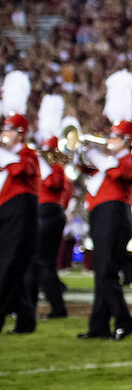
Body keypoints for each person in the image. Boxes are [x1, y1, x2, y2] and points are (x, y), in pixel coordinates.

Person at [77, 71, 132, 340]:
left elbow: (119, 174)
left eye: (114, 137)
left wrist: (96, 156)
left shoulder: (130, 159)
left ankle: (124, 320)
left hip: (115, 215)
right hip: (102, 215)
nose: (109, 140)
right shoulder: (109, 161)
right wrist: (81, 153)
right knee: (102, 271)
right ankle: (98, 326)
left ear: (125, 139)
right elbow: (83, 169)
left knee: (105, 271)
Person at [0, 72, 39, 335]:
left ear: (20, 132)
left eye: (9, 129)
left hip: (20, 216)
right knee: (12, 270)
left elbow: (21, 170)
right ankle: (25, 319)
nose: (4, 133)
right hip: (7, 214)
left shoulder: (28, 154)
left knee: (8, 268)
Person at [31, 95, 70, 319]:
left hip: (50, 213)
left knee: (44, 263)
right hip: (43, 213)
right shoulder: (46, 166)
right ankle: (48, 304)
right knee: (39, 263)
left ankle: (57, 308)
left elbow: (55, 185)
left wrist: (46, 163)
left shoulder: (56, 168)